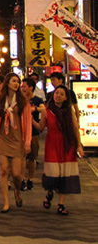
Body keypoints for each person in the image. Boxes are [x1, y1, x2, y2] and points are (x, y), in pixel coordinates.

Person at [0, 72, 32, 213]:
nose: (16, 84)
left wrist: (27, 142)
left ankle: (17, 190)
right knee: (4, 170)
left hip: (18, 139)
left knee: (17, 174)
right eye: (13, 81)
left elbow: (28, 124)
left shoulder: (23, 102)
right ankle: (6, 202)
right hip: (1, 138)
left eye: (18, 81)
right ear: (8, 83)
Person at [35, 85, 84, 216]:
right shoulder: (47, 110)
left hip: (67, 144)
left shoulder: (69, 111)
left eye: (62, 94)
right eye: (57, 93)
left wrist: (79, 145)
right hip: (52, 144)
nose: (58, 96)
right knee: (54, 173)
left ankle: (61, 204)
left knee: (65, 175)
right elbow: (41, 127)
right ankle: (50, 193)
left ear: (66, 98)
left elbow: (75, 128)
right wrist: (30, 120)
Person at [22, 77, 46, 191]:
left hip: (34, 132)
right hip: (21, 132)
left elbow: (43, 109)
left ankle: (30, 179)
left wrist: (33, 109)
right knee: (22, 157)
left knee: (32, 157)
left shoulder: (37, 99)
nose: (22, 88)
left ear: (31, 88)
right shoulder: (19, 99)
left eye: (24, 86)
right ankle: (22, 179)